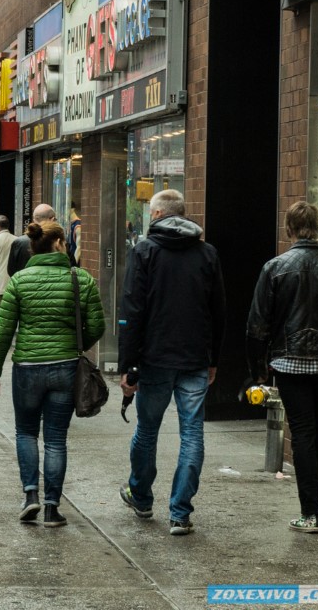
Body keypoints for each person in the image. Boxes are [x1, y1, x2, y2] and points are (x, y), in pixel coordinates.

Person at [118, 189, 226, 537]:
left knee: (147, 430)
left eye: (151, 212)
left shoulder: (145, 252)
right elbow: (218, 311)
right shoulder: (207, 254)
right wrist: (214, 359)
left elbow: (133, 309)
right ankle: (180, 513)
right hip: (195, 357)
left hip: (155, 358)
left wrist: (129, 364)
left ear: (160, 213)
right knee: (192, 433)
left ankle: (142, 496)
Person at [246, 201, 318, 534]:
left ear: (289, 229)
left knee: (304, 433)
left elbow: (256, 326)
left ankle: (311, 512)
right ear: (317, 226)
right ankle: (313, 509)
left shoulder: (275, 267)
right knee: (316, 433)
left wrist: (259, 372)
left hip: (289, 363)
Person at [0, 221, 105, 527]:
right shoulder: (81, 280)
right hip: (66, 368)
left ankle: (30, 496)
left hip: (26, 368)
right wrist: (75, 345)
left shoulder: (19, 281)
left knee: (26, 433)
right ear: (59, 243)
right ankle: (52, 507)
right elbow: (96, 326)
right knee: (55, 439)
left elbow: (3, 331)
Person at [8, 204, 59, 278]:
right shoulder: (58, 242)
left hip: (24, 286)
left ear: (34, 219)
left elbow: (11, 270)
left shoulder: (19, 242)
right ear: (52, 219)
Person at [67, 203, 83, 267]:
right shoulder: (68, 224)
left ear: (72, 209)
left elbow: (79, 247)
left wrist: (74, 266)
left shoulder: (78, 226)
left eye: (67, 208)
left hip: (74, 262)